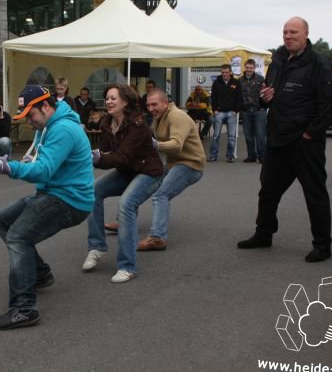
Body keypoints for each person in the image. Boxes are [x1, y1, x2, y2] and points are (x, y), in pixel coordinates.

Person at [0, 85, 94, 330]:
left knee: (18, 236)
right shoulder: (49, 124)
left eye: (31, 115)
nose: (29, 121)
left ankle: (23, 309)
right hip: (53, 192)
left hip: (69, 200)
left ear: (45, 106)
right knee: (2, 221)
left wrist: (9, 167)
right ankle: (40, 273)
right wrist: (24, 162)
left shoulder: (62, 129)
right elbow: (43, 163)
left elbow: (43, 170)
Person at [237, 16, 332, 263]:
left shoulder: (319, 63)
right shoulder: (278, 61)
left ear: (306, 34)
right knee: (268, 191)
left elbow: (331, 103)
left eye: (293, 32)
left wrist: (310, 133)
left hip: (305, 141)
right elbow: (269, 97)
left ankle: (322, 245)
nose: (288, 36)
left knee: (314, 193)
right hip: (278, 138)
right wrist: (265, 98)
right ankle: (264, 233)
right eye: (285, 32)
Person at [82, 84, 163, 283]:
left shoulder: (137, 124)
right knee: (92, 191)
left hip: (149, 172)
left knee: (126, 204)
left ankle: (128, 267)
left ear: (125, 102)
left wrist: (94, 158)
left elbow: (121, 157)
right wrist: (95, 156)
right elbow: (107, 154)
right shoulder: (106, 122)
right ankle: (97, 247)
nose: (108, 101)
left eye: (113, 98)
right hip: (126, 171)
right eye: (107, 98)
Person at [137, 88, 205, 251]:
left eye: (154, 104)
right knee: (144, 181)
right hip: (175, 163)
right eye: (148, 105)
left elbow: (176, 145)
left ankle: (157, 237)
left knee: (161, 194)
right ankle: (125, 218)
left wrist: (154, 145)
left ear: (165, 103)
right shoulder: (159, 117)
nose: (151, 108)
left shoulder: (176, 116)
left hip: (190, 164)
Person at [208, 64, 242, 162]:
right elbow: (213, 98)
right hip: (219, 113)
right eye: (223, 72)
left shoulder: (236, 83)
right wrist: (215, 110)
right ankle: (213, 156)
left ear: (230, 72)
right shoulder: (216, 83)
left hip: (232, 113)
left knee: (231, 136)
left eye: (226, 72)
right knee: (216, 136)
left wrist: (236, 111)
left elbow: (239, 98)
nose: (224, 74)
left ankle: (230, 155)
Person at [239, 59, 267, 163]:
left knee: (260, 135)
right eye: (247, 67)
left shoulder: (261, 79)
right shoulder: (240, 80)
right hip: (246, 111)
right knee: (248, 136)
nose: (249, 69)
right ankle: (251, 156)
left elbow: (266, 94)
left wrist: (264, 106)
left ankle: (262, 156)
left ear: (254, 68)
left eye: (251, 68)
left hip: (259, 111)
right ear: (244, 67)